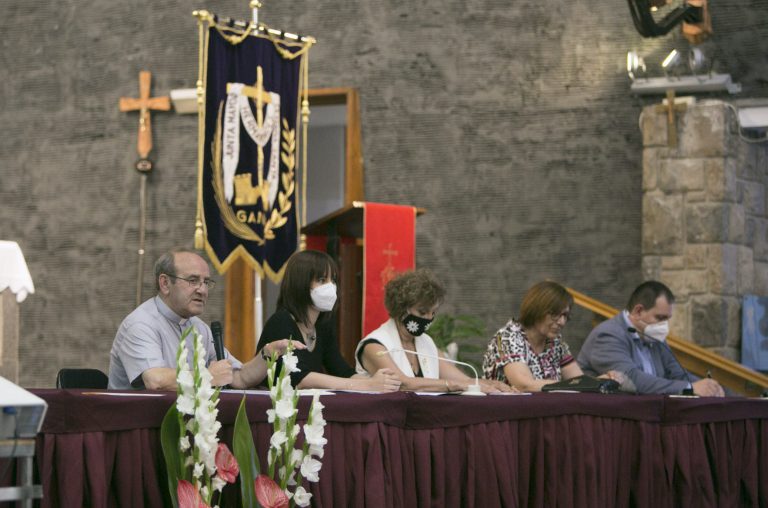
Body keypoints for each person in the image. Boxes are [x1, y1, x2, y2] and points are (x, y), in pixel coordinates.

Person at [108, 247, 297, 390]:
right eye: (193, 281)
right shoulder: (140, 324)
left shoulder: (199, 328)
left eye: (206, 282)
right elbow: (155, 381)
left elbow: (238, 378)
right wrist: (206, 375)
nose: (203, 290)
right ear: (165, 284)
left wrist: (267, 354)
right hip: (135, 426)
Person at [257, 250, 401, 391]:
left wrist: (378, 382)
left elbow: (342, 371)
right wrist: (367, 385)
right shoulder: (281, 322)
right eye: (322, 280)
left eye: (333, 280)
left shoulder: (322, 325)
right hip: (271, 403)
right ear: (300, 283)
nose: (331, 286)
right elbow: (299, 378)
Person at [356, 269, 513, 393]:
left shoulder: (426, 342)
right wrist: (452, 385)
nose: (429, 318)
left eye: (433, 312)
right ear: (401, 309)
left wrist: (492, 384)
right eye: (423, 312)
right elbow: (402, 384)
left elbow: (462, 380)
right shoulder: (375, 345)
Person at [577, 281, 725, 396]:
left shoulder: (653, 335)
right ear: (638, 311)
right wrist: (689, 388)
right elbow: (631, 380)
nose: (664, 325)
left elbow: (678, 374)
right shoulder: (608, 334)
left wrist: (709, 387)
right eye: (660, 318)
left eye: (667, 319)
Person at [482, 281, 624, 392]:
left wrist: (602, 380)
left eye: (565, 315)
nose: (562, 322)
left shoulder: (555, 342)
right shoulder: (508, 336)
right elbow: (524, 385)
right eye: (555, 314)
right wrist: (570, 385)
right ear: (536, 309)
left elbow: (578, 381)